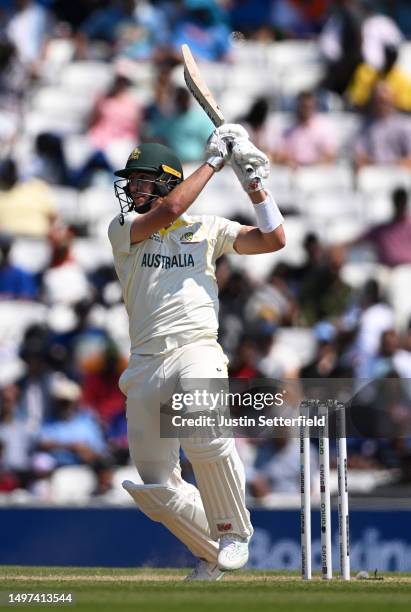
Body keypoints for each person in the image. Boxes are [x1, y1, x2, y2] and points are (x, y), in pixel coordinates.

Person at [107, 126, 285, 581]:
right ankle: (212, 554)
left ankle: (233, 531)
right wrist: (215, 160)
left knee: (203, 432)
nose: (131, 188)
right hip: (145, 362)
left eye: (142, 180)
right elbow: (171, 208)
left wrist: (254, 182)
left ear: (167, 179)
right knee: (156, 488)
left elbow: (273, 239)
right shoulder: (124, 228)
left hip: (196, 349)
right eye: (129, 181)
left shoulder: (208, 230)